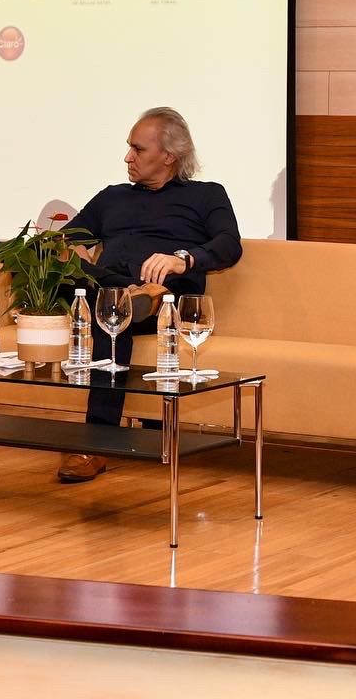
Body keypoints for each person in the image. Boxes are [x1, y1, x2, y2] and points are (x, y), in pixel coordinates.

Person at [56, 107, 242, 483]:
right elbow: (69, 236)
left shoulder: (206, 196)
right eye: (129, 148)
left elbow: (229, 246)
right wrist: (68, 248)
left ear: (170, 156)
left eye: (138, 150)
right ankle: (131, 294)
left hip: (170, 299)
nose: (128, 157)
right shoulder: (112, 197)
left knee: (113, 313)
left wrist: (183, 259)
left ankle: (96, 441)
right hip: (112, 287)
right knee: (95, 289)